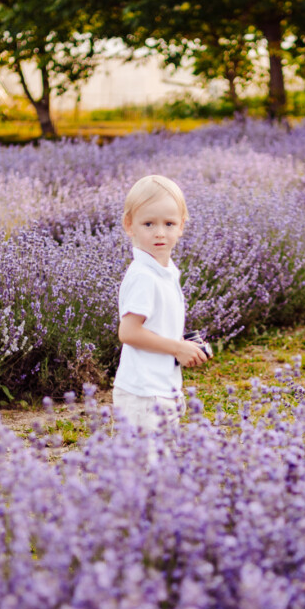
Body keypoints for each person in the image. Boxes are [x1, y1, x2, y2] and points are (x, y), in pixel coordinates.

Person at [113, 174, 209, 433]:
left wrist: (185, 346)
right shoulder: (144, 276)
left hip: (162, 386)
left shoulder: (164, 270)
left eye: (169, 223)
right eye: (148, 224)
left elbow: (157, 326)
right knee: (145, 468)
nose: (159, 233)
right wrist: (177, 348)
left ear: (181, 226)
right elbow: (129, 332)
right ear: (129, 225)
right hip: (144, 394)